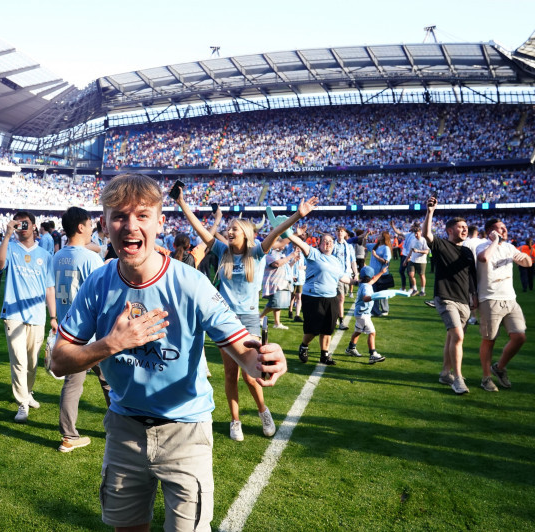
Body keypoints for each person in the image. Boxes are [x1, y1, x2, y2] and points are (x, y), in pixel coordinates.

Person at [51, 173, 287, 532]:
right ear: (105, 224)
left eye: (142, 215)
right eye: (119, 216)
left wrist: (265, 361)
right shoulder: (98, 283)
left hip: (186, 429)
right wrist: (111, 344)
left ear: (160, 222)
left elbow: (244, 350)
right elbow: (57, 359)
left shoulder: (190, 282)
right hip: (124, 428)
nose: (130, 226)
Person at [178, 190, 308, 442]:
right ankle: (235, 421)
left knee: (251, 374)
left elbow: (275, 231)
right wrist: (182, 202)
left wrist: (297, 216)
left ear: (245, 234)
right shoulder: (222, 252)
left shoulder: (256, 253)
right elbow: (200, 229)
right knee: (229, 375)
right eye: (228, 228)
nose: (229, 231)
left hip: (249, 321)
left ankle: (263, 411)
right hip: (224, 321)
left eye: (234, 229)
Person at [53, 207, 111, 453]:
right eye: (89, 225)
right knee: (110, 381)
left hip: (67, 331)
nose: (91, 230)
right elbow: (103, 296)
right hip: (90, 332)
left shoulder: (56, 256)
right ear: (80, 227)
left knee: (73, 383)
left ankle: (68, 435)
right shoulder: (89, 259)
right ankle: (121, 427)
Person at [0, 211, 57, 423]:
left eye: (25, 224)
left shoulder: (45, 255)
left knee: (31, 361)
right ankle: (22, 402)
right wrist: (6, 235)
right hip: (13, 314)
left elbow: (50, 288)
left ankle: (28, 393)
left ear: (34, 226)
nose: (22, 227)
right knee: (19, 361)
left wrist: (53, 316)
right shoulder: (10, 247)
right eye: (18, 224)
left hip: (37, 315)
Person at [422, 196, 477, 395]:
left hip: (464, 301)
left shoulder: (468, 252)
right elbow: (426, 234)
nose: (465, 229)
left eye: (466, 227)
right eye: (461, 227)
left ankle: (445, 373)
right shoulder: (441, 245)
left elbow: (471, 277)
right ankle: (458, 378)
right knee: (458, 336)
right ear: (450, 230)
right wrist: (430, 212)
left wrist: (475, 297)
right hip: (445, 298)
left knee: (451, 338)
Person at [287, 227, 358, 366]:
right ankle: (304, 345)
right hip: (313, 297)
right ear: (319, 244)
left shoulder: (336, 260)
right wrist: (289, 232)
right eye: (324, 241)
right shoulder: (313, 254)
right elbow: (299, 243)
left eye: (330, 241)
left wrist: (356, 282)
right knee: (313, 328)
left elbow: (342, 277)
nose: (328, 243)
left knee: (328, 328)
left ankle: (324, 355)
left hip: (331, 297)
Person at [475, 219, 531, 391]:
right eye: (501, 228)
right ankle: (486, 378)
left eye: (505, 227)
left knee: (520, 337)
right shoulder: (482, 246)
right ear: (491, 231)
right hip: (490, 299)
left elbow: (527, 263)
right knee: (489, 340)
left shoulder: (509, 247)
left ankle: (499, 368)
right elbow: (483, 258)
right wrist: (495, 241)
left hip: (510, 298)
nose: (506, 230)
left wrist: (526, 258)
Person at [344, 265, 388, 363]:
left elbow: (373, 281)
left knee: (358, 331)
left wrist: (381, 272)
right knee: (372, 332)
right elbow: (365, 298)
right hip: (363, 314)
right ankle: (373, 354)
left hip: (361, 313)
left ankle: (351, 348)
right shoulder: (366, 287)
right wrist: (376, 296)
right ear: (371, 277)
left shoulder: (363, 284)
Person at [333, 226, 358, 330]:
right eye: (338, 231)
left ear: (345, 234)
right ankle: (341, 321)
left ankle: (335, 318)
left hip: (347, 275)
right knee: (341, 298)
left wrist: (356, 273)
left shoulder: (349, 246)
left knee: (340, 299)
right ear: (335, 233)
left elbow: (353, 261)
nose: (339, 233)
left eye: (341, 231)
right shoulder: (333, 245)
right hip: (336, 275)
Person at [403, 225, 429, 296]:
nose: (416, 235)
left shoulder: (424, 240)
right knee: (410, 275)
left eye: (417, 233)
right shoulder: (413, 240)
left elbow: (427, 251)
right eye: (415, 233)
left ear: (420, 232)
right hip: (413, 260)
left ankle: (423, 291)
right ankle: (415, 289)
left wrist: (418, 251)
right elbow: (411, 251)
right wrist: (406, 260)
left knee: (421, 275)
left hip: (421, 261)